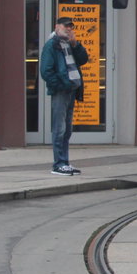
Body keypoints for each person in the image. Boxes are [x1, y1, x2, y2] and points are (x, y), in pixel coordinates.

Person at [39, 17, 88, 175]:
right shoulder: (51, 45)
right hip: (61, 91)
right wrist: (61, 86)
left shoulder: (69, 43)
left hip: (71, 90)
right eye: (65, 26)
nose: (68, 29)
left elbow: (83, 60)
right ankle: (58, 164)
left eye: (70, 26)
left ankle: (65, 162)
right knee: (59, 129)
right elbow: (46, 71)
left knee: (67, 129)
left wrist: (76, 44)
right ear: (57, 26)